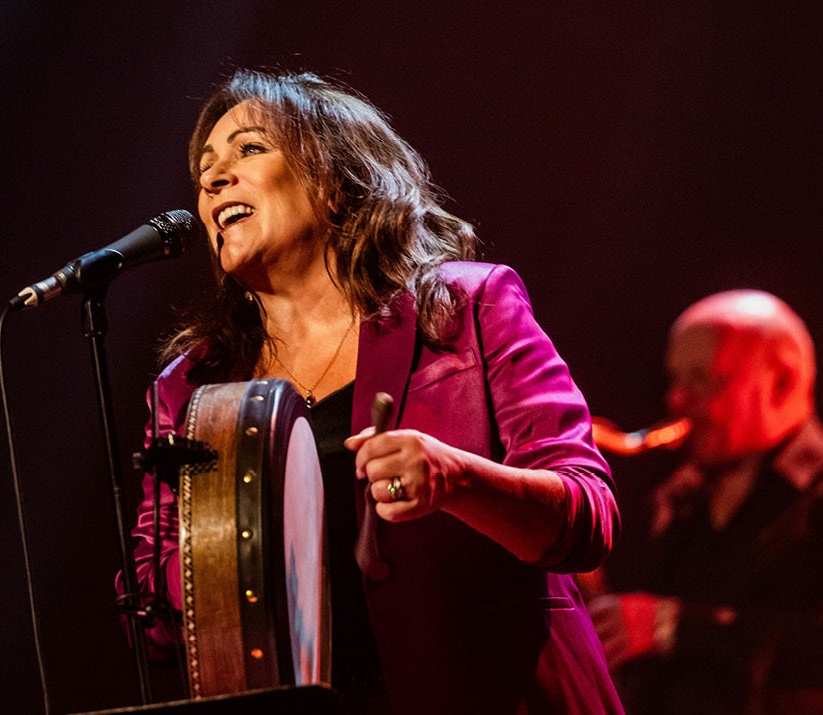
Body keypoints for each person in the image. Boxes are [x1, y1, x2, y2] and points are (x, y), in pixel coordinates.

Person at [119, 68, 624, 714]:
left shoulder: (466, 308)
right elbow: (155, 627)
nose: (214, 179)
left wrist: (457, 480)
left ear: (335, 182)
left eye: (249, 149)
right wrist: (217, 558)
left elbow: (587, 518)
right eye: (205, 169)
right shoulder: (193, 390)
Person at [587, 290, 823, 714]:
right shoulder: (679, 497)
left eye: (703, 378)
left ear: (782, 382)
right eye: (676, 378)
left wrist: (673, 628)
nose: (676, 399)